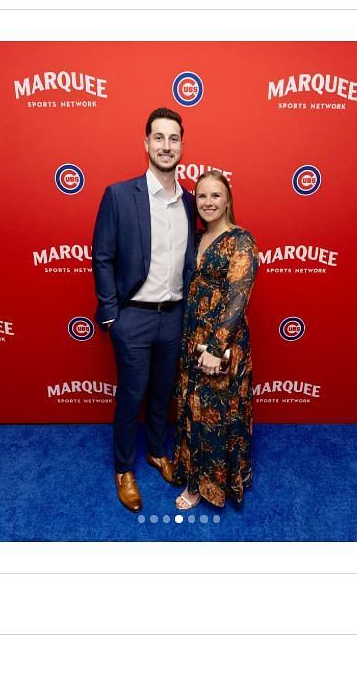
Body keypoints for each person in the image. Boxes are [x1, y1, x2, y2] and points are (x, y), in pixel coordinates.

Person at [92, 107, 201, 512]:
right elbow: (102, 257)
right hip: (132, 317)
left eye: (174, 139)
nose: (166, 146)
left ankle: (156, 451)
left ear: (182, 146)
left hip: (174, 316)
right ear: (146, 144)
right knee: (132, 394)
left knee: (162, 394)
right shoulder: (120, 195)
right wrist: (111, 316)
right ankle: (124, 468)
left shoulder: (190, 203)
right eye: (159, 138)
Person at [173, 171, 258, 510]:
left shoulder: (241, 240)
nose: (208, 202)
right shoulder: (196, 238)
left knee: (215, 414)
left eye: (215, 196)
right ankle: (191, 474)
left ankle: (207, 486)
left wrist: (214, 347)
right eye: (202, 196)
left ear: (227, 200)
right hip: (190, 336)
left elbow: (239, 297)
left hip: (221, 344)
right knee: (192, 408)